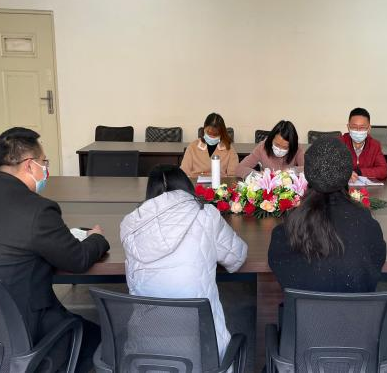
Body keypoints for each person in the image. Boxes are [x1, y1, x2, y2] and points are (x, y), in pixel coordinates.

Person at [0, 127, 109, 373]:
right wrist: (97, 238)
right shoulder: (38, 209)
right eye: (44, 162)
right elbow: (78, 259)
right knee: (101, 338)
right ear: (30, 165)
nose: (45, 169)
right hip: (24, 331)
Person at [120, 164, 248, 359]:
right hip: (203, 346)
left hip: (145, 350)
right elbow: (236, 258)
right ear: (186, 185)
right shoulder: (206, 214)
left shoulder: (131, 225)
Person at [268, 137, 386, 292]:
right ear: (347, 174)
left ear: (308, 175)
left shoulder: (288, 228)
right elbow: (376, 262)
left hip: (304, 308)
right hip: (359, 307)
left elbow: (282, 273)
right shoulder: (367, 223)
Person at [236, 120, 305, 179]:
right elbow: (239, 168)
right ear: (271, 139)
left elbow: (307, 169)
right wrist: (257, 175)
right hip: (267, 187)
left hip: (289, 187)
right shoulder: (262, 147)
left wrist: (293, 171)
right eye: (277, 144)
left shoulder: (297, 148)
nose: (279, 149)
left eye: (285, 147)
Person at [180, 113, 239, 178]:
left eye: (215, 134)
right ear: (204, 128)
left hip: (220, 183)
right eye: (208, 133)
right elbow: (184, 172)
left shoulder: (229, 150)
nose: (211, 137)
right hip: (196, 182)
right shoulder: (192, 147)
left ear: (222, 133)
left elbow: (233, 176)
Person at [339, 107, 387, 181]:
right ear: (348, 127)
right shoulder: (339, 143)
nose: (358, 130)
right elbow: (329, 167)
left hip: (366, 187)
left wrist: (359, 172)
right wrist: (345, 173)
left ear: (369, 129)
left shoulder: (374, 145)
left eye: (362, 127)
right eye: (354, 127)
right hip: (344, 187)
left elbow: (383, 170)